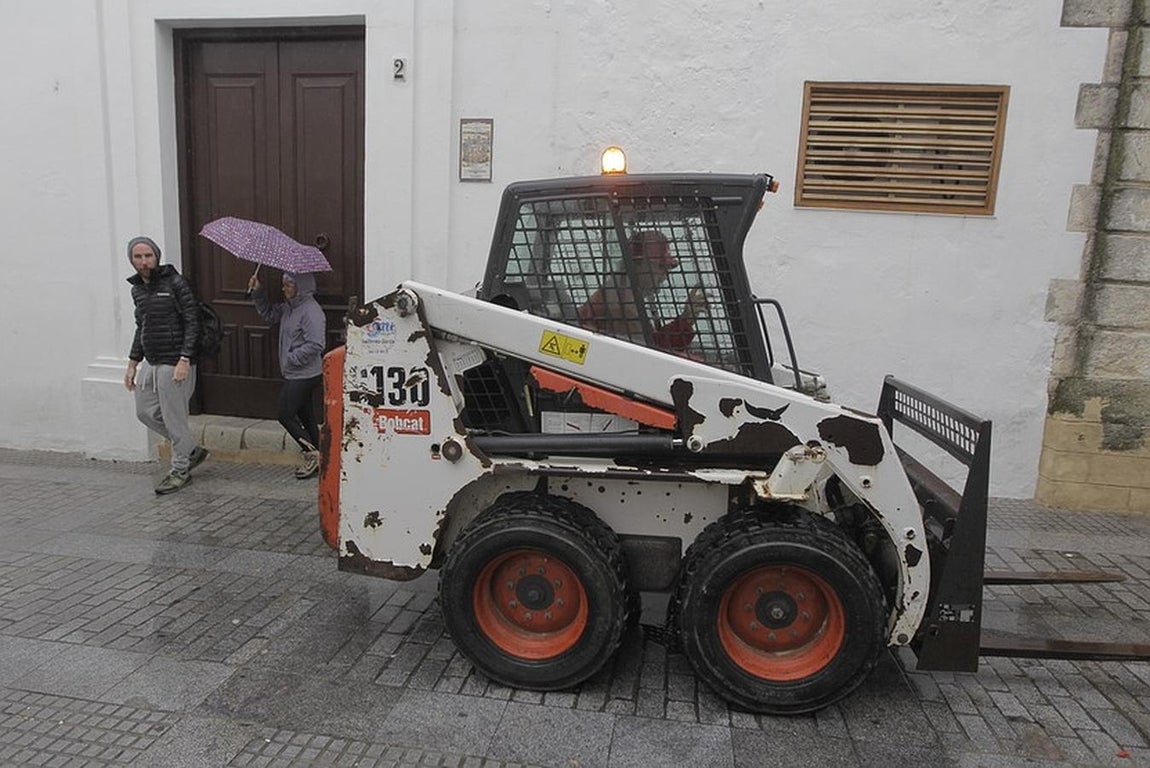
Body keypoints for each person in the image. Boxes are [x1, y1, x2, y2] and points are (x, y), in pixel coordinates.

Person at [124, 236, 209, 494]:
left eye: (148, 256)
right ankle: (191, 450)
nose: (143, 262)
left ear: (156, 256)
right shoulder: (137, 289)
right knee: (145, 411)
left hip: (175, 362)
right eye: (137, 257)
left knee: (174, 418)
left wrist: (185, 358)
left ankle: (180, 469)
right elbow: (142, 326)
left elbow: (193, 321)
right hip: (152, 360)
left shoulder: (175, 283)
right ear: (131, 260)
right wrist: (132, 363)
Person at [248, 270, 326, 479]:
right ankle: (321, 459)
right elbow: (269, 315)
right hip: (295, 373)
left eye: (288, 285)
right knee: (305, 414)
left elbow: (316, 344)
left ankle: (311, 454)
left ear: (300, 287)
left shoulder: (311, 311)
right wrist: (258, 292)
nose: (284, 289)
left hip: (306, 374)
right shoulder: (289, 308)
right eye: (284, 284)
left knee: (285, 414)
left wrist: (291, 358)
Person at [577, 230, 707, 351]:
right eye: (661, 267)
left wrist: (685, 320)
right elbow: (650, 355)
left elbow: (652, 343)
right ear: (638, 263)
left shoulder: (622, 291)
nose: (665, 276)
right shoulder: (622, 305)